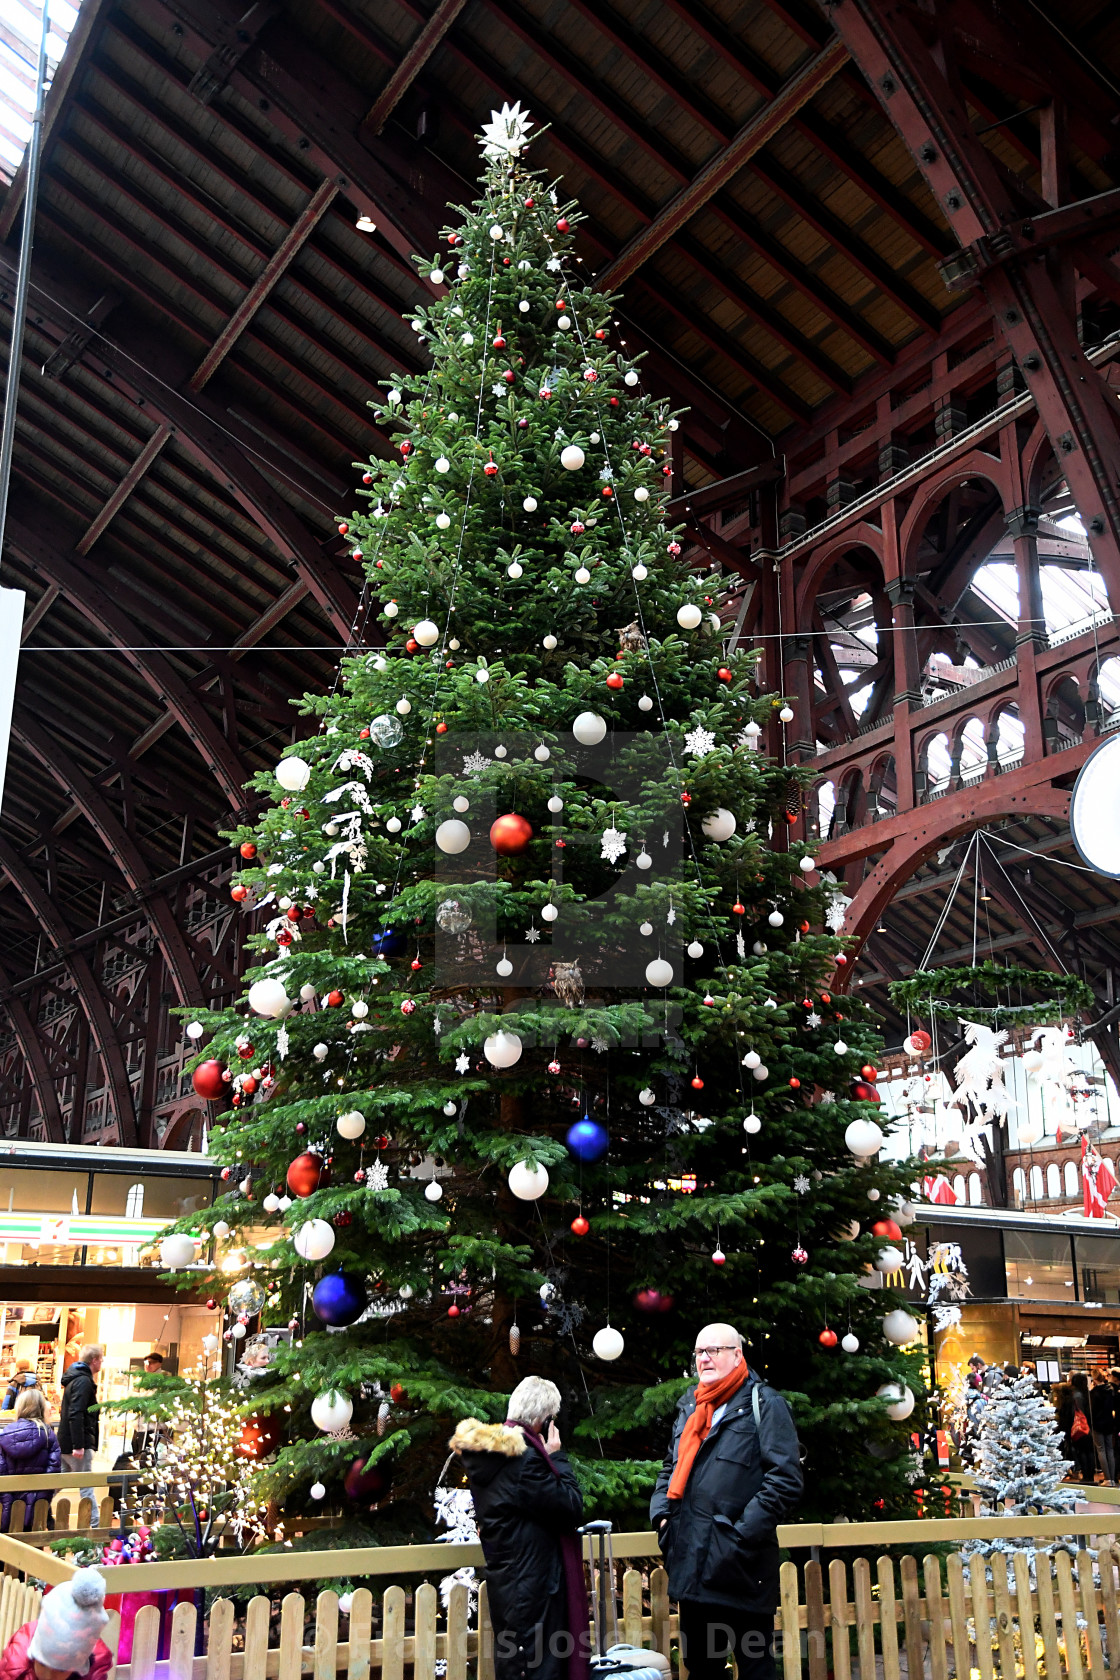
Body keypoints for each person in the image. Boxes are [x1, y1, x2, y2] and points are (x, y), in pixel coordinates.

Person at [650, 1323, 802, 1680]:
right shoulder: (691, 1405)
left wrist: (739, 1535)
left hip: (741, 1568)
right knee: (702, 1669)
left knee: (756, 1670)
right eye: (699, 1352)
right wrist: (662, 1517)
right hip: (693, 1566)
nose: (704, 1358)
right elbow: (670, 1467)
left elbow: (785, 1480)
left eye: (714, 1350)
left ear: (737, 1355)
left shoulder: (765, 1404)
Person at [450, 1376, 585, 1680]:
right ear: (544, 1420)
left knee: (518, 1666)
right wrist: (557, 1457)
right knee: (539, 1669)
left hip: (511, 1583)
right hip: (534, 1586)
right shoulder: (524, 1460)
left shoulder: (493, 1455)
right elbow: (570, 1507)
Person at [0, 1565, 111, 1680]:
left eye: (61, 1670)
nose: (48, 1677)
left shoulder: (95, 1666)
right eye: (42, 1663)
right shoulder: (16, 1663)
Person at [0, 1389, 61, 1532]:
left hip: (9, 1504)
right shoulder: (48, 1434)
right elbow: (53, 1471)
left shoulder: (5, 1434)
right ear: (41, 1408)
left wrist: (6, 1499)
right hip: (37, 1505)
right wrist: (43, 1496)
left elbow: (1, 1470)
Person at [57, 1346, 102, 1524]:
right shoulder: (83, 1381)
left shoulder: (75, 1379)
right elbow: (76, 1413)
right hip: (77, 1443)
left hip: (66, 1441)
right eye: (101, 1359)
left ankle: (34, 1508)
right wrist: (79, 1445)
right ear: (94, 1360)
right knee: (86, 1485)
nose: (102, 1362)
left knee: (57, 1480)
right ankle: (96, 1525)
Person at [1091, 1371, 1117, 1484]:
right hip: (1109, 1422)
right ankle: (1112, 1478)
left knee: (1101, 1450)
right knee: (1110, 1450)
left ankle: (1107, 1478)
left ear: (1094, 1379)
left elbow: (1092, 1410)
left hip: (1098, 1423)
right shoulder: (1110, 1390)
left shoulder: (1094, 1392)